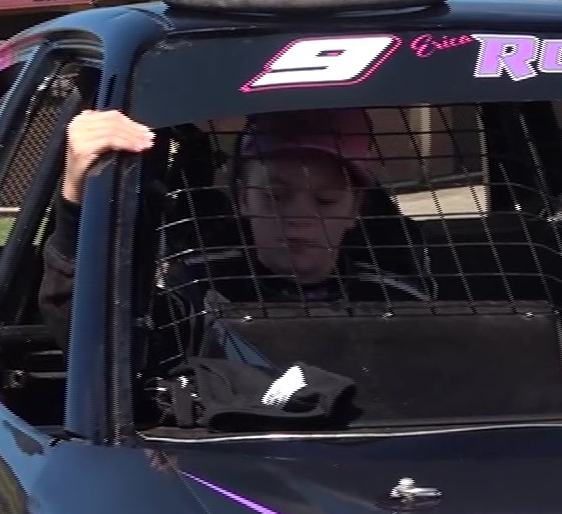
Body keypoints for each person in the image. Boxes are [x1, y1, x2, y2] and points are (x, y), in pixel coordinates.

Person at [39, 106, 429, 372]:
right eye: (275, 196)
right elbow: (95, 342)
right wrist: (76, 201)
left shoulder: (399, 305)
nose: (299, 217)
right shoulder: (197, 293)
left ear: (355, 209)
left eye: (325, 200)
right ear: (242, 197)